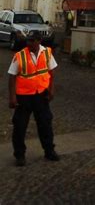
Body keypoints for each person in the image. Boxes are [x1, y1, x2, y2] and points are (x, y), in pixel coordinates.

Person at [7, 31, 60, 166]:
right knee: (20, 126)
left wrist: (51, 90)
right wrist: (12, 97)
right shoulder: (20, 55)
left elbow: (51, 73)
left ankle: (49, 151)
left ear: (38, 41)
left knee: (45, 123)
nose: (28, 43)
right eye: (28, 40)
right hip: (24, 97)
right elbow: (12, 77)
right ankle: (19, 155)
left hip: (41, 95)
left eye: (31, 41)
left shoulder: (47, 53)